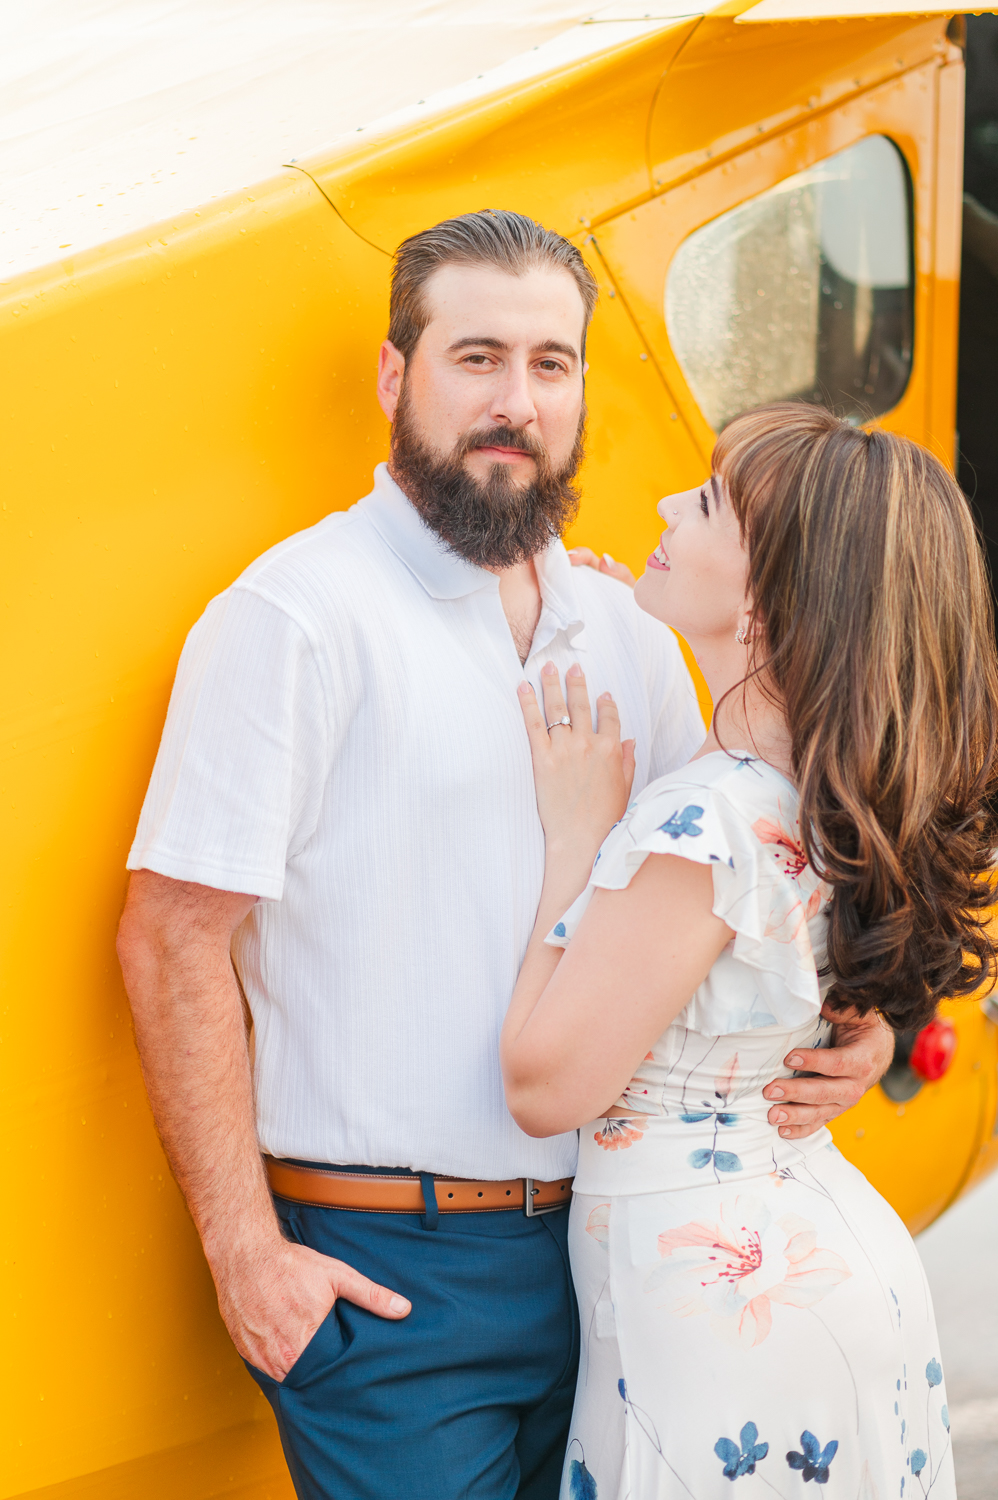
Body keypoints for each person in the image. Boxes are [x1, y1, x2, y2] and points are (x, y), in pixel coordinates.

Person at [116, 214, 893, 1500]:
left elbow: (727, 894)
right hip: (391, 1288)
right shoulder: (293, 621)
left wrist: (848, 1027)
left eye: (550, 364)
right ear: (392, 376)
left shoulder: (633, 627)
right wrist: (245, 1255)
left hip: (622, 1262)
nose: (513, 402)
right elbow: (170, 936)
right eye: (475, 356)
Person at [502, 401, 998, 1500]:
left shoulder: (705, 823)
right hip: (811, 1266)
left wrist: (574, 840)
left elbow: (546, 1084)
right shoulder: (819, 797)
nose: (670, 508)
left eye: (709, 502)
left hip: (717, 1308)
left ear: (770, 603)